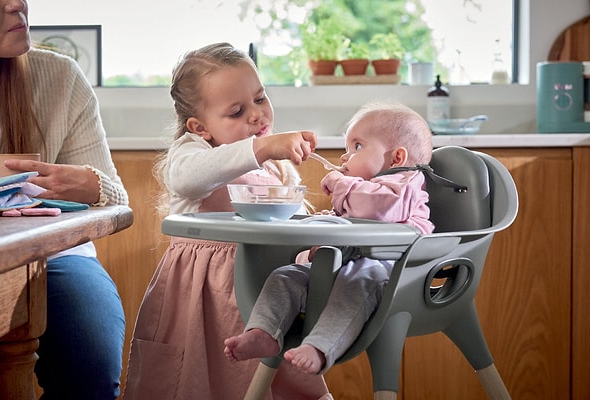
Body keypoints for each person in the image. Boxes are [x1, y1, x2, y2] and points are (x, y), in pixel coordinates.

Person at [123, 42, 331, 400]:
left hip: (264, 300)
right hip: (201, 299)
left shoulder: (276, 168)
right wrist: (262, 148)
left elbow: (287, 225)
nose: (256, 115)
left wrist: (314, 231)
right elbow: (190, 177)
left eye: (260, 99)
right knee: (194, 381)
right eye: (236, 111)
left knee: (271, 384)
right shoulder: (193, 153)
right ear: (199, 127)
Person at [224, 102, 434, 375]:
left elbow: (378, 209)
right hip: (340, 270)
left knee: (357, 282)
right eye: (346, 150)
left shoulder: (405, 184)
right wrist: (315, 240)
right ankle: (264, 332)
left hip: (392, 276)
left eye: (357, 147)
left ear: (396, 158)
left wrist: (341, 184)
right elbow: (343, 223)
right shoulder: (359, 194)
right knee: (286, 276)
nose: (345, 158)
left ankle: (320, 349)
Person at [0, 0, 129, 399]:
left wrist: (93, 186)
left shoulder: (61, 77)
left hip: (55, 258)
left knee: (92, 369)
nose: (17, 3)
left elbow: (118, 198)